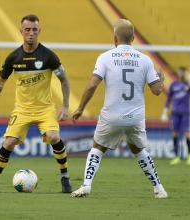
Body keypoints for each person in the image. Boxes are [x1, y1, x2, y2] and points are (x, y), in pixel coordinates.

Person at [71, 19, 168, 199]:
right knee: (139, 150)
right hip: (135, 118)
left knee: (98, 147)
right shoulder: (145, 60)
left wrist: (80, 107)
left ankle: (86, 185)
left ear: (115, 38)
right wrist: (161, 81)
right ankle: (159, 189)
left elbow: (92, 85)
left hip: (112, 116)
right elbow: (156, 91)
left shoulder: (105, 57)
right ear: (133, 38)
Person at [0, 14, 72, 193]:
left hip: (45, 108)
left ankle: (65, 178)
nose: (31, 33)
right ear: (21, 31)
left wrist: (66, 106)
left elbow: (65, 80)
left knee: (54, 137)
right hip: (22, 110)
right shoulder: (13, 58)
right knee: (8, 143)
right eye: (27, 30)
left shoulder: (49, 56)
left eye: (35, 30)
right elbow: (0, 82)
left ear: (40, 31)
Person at [161, 66, 190, 165]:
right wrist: (165, 111)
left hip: (185, 113)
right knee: (175, 134)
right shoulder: (174, 85)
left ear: (185, 73)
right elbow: (169, 98)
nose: (181, 74)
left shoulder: (188, 85)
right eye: (180, 72)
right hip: (175, 113)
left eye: (183, 72)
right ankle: (177, 156)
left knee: (187, 134)